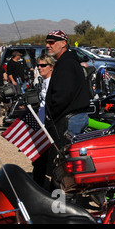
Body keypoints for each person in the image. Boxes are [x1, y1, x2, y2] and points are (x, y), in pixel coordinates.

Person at [45, 30, 90, 148]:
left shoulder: (67, 64)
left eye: (51, 42)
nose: (47, 45)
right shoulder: (67, 61)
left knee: (65, 160)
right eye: (47, 42)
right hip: (74, 118)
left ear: (63, 43)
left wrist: (50, 115)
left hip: (70, 120)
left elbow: (63, 96)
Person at [32, 54, 54, 187]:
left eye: (43, 65)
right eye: (38, 65)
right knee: (38, 156)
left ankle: (40, 184)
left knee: (42, 156)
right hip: (41, 121)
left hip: (48, 124)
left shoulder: (53, 81)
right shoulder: (43, 80)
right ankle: (37, 183)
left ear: (51, 67)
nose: (39, 68)